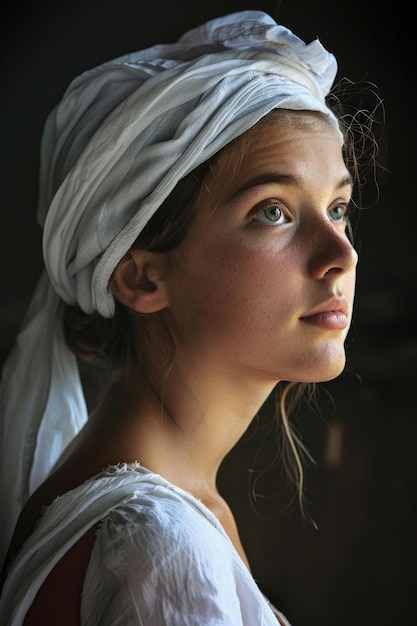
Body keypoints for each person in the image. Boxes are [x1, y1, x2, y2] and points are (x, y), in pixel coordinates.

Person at [0, 9, 377, 625]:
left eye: (337, 208)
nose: (342, 256)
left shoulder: (161, 514)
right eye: (273, 212)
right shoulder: (157, 545)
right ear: (142, 276)